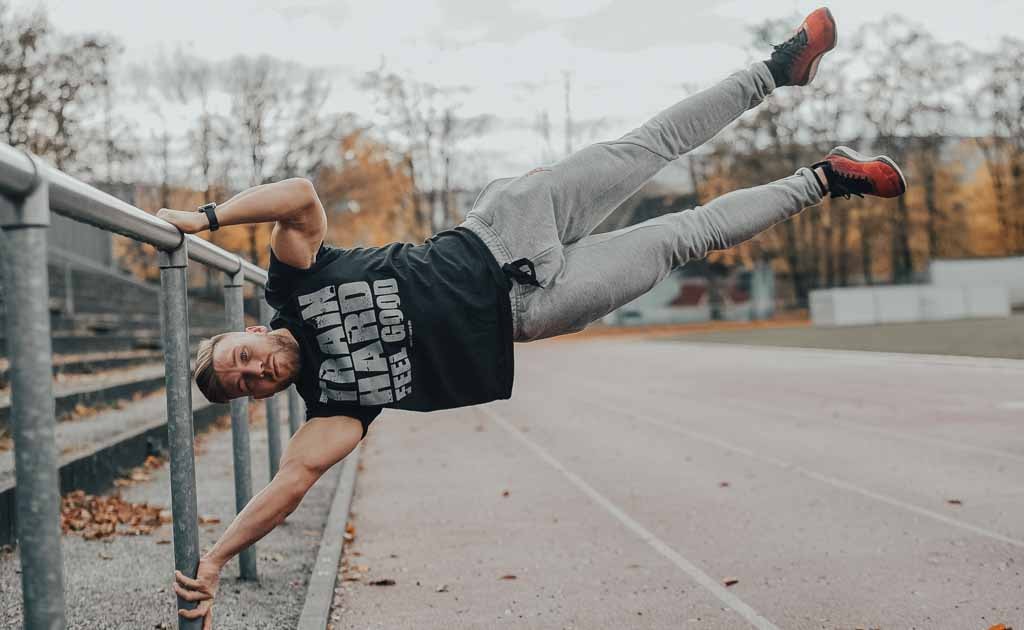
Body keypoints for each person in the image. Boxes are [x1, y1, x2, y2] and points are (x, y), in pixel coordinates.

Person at [162, 7, 905, 626]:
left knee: (652, 144)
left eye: (241, 360)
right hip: (534, 306)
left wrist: (205, 219)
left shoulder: (293, 284)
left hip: (506, 225)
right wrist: (217, 560)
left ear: (249, 333)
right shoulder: (333, 406)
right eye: (248, 386)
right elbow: (290, 484)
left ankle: (779, 68)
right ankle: (823, 179)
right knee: (684, 235)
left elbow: (298, 194)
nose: (256, 373)